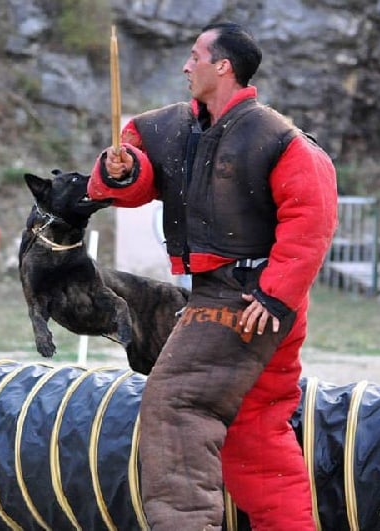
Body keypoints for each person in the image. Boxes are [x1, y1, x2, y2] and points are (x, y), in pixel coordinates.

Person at [88, 21, 338, 530]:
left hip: (249, 301)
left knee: (176, 403)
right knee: (254, 430)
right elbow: (135, 185)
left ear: (222, 66)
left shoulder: (279, 140)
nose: (186, 66)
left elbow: (311, 219)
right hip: (237, 300)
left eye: (195, 56)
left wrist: (273, 296)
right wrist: (121, 171)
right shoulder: (169, 128)